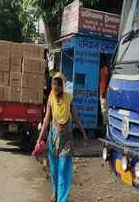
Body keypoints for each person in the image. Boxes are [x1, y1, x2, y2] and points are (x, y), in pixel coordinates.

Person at [37, 73, 88, 202]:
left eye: (57, 85)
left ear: (62, 86)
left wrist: (83, 132)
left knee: (63, 170)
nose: (55, 88)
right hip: (53, 139)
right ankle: (56, 191)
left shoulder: (68, 98)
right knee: (54, 171)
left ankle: (62, 199)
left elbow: (75, 117)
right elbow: (47, 119)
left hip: (66, 141)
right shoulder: (50, 99)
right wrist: (39, 138)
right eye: (53, 85)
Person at [99, 55, 109, 126]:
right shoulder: (102, 69)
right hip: (102, 91)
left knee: (104, 110)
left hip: (103, 92)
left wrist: (104, 91)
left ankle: (105, 125)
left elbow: (106, 80)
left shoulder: (104, 68)